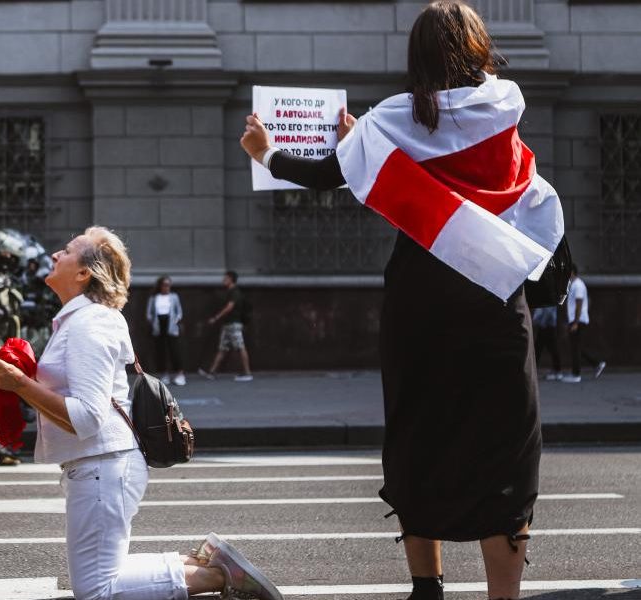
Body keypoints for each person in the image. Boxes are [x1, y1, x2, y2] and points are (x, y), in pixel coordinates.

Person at [239, 3, 561, 599]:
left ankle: (427, 586)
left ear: (417, 56)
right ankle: (503, 594)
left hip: (422, 303)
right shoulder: (505, 111)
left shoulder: (393, 119)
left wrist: (266, 152)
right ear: (480, 47)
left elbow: (327, 176)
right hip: (495, 301)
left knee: (418, 429)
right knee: (505, 444)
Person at [0, 227, 281, 600]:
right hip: (99, 466)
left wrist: (20, 385)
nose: (56, 254)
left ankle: (218, 577)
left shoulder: (89, 324)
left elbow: (87, 418)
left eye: (68, 250)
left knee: (96, 589)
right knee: (103, 577)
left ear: (84, 273)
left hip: (103, 465)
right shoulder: (80, 321)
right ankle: (203, 565)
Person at [199, 271, 253, 382]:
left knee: (240, 346)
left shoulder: (235, 292)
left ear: (231, 279)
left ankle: (247, 373)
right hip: (228, 325)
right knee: (222, 349)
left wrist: (216, 318)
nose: (223, 280)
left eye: (225, 278)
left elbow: (229, 307)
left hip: (234, 324)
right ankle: (212, 372)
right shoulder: (230, 291)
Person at [562, 265, 606, 383]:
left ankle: (576, 374)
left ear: (572, 272)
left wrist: (575, 322)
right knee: (576, 347)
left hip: (578, 321)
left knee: (575, 348)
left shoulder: (578, 285)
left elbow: (579, 303)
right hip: (576, 320)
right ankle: (597, 364)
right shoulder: (574, 285)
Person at [146, 276, 187, 386]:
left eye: (169, 285)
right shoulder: (154, 298)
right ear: (160, 286)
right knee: (161, 351)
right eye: (165, 285)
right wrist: (153, 322)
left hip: (171, 325)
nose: (167, 287)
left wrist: (175, 320)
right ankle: (165, 374)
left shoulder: (174, 297)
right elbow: (149, 313)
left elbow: (179, 312)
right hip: (159, 326)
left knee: (174, 350)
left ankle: (180, 374)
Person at [531, 307, 563, 381]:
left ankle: (557, 371)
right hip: (547, 325)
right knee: (541, 348)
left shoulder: (548, 298)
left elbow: (548, 312)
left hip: (547, 326)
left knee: (540, 348)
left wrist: (541, 323)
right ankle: (557, 371)